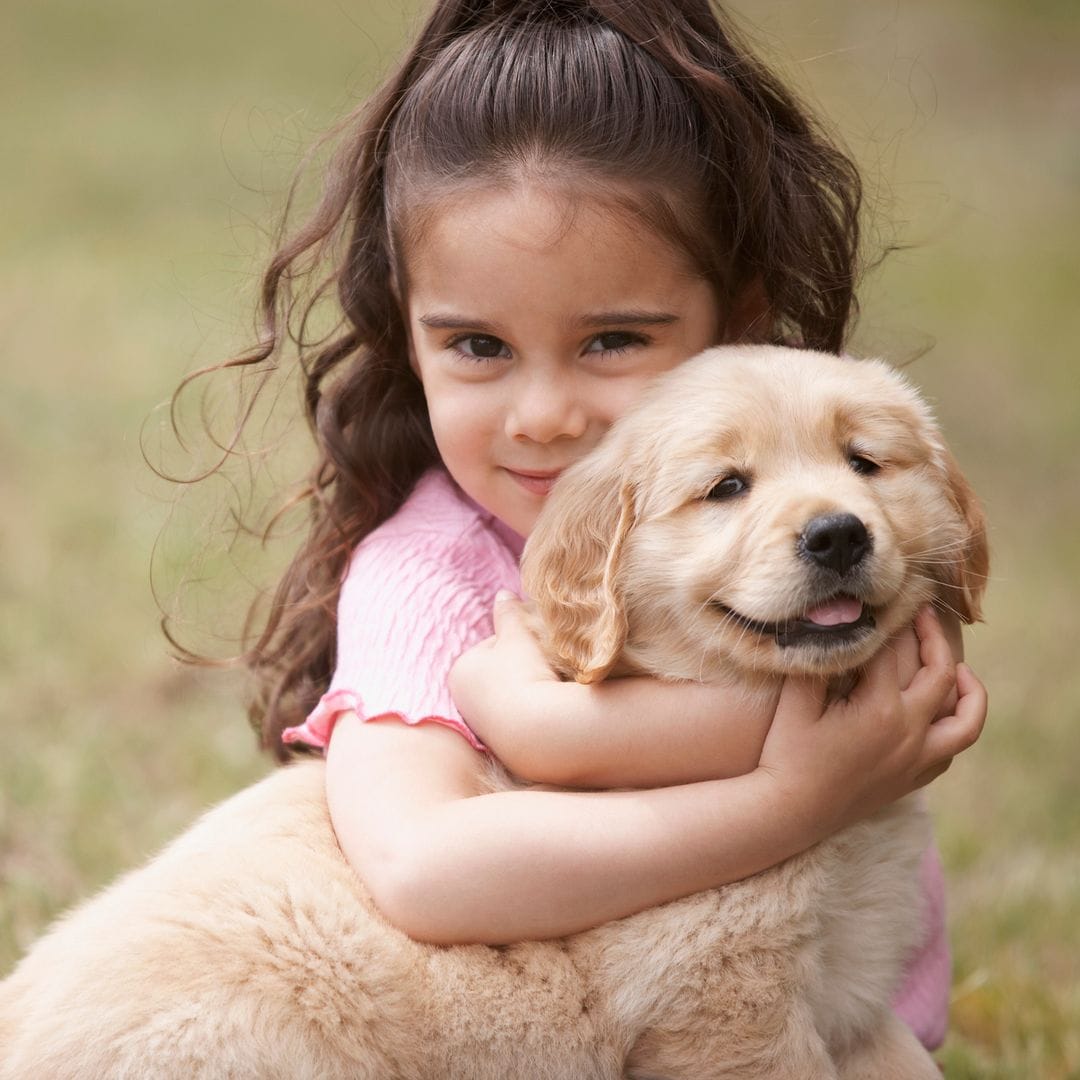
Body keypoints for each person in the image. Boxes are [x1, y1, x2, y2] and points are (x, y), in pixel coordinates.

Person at [203, 0, 987, 1053]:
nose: (545, 416)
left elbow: (905, 683)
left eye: (612, 339)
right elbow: (424, 869)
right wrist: (792, 796)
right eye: (478, 346)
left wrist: (560, 729)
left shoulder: (823, 522)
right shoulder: (431, 579)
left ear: (739, 321)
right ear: (409, 339)